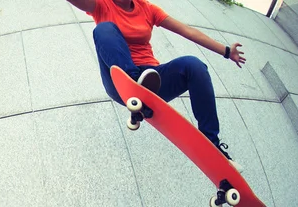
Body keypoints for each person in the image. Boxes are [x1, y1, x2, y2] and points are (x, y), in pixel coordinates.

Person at [66, 0, 246, 172]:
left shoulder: (147, 9)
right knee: (104, 29)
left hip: (153, 79)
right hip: (118, 79)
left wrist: (227, 51)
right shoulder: (101, 4)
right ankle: (134, 83)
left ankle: (211, 144)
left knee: (195, 66)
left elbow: (187, 31)